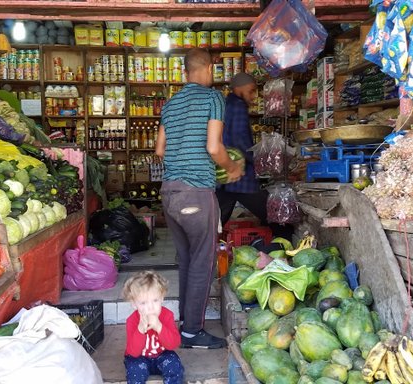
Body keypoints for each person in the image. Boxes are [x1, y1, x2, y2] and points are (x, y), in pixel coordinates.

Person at [155, 48, 243, 349]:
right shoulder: (213, 98)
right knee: (202, 263)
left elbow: (160, 151)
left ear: (185, 71)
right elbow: (214, 147)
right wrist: (233, 168)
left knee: (187, 262)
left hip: (169, 192)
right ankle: (192, 331)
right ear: (208, 69)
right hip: (196, 192)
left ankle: (186, 324)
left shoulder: (170, 104)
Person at [216, 72, 293, 241]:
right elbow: (239, 141)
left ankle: (199, 248)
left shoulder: (228, 104)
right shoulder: (237, 106)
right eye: (250, 91)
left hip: (228, 176)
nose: (253, 96)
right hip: (240, 176)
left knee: (216, 220)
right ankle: (286, 242)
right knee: (275, 214)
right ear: (238, 88)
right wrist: (262, 162)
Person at [123, 271, 184, 384]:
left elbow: (173, 344)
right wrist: (140, 330)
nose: (150, 308)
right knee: (134, 369)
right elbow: (134, 352)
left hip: (162, 355)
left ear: (162, 298)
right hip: (139, 357)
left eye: (155, 300)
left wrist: (159, 327)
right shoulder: (132, 320)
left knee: (174, 364)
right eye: (143, 303)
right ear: (134, 304)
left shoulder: (167, 315)